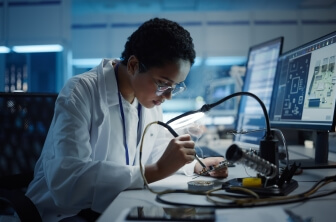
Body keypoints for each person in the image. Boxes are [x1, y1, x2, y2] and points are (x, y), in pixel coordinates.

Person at [26, 17, 228, 222]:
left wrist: (194, 165)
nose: (167, 96)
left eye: (175, 86)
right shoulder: (81, 92)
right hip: (62, 214)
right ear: (133, 65)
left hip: (115, 206)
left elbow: (157, 152)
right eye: (163, 83)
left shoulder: (148, 99)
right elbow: (67, 183)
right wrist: (156, 171)